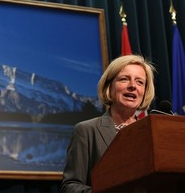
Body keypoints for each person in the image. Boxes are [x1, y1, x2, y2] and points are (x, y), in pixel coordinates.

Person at [60, 54, 155, 193]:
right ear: (109, 87)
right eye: (124, 79)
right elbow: (70, 186)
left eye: (140, 82)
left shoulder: (151, 134)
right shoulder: (86, 130)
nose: (133, 86)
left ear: (145, 92)